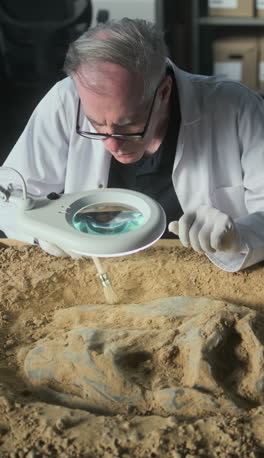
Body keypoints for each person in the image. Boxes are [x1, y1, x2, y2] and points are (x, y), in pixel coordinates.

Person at [1, 18, 264, 272]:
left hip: (207, 272)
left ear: (163, 92)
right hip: (99, 272)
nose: (112, 144)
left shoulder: (236, 107)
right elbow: (8, 198)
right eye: (95, 124)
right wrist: (38, 231)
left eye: (128, 125)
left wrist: (240, 237)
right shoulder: (65, 101)